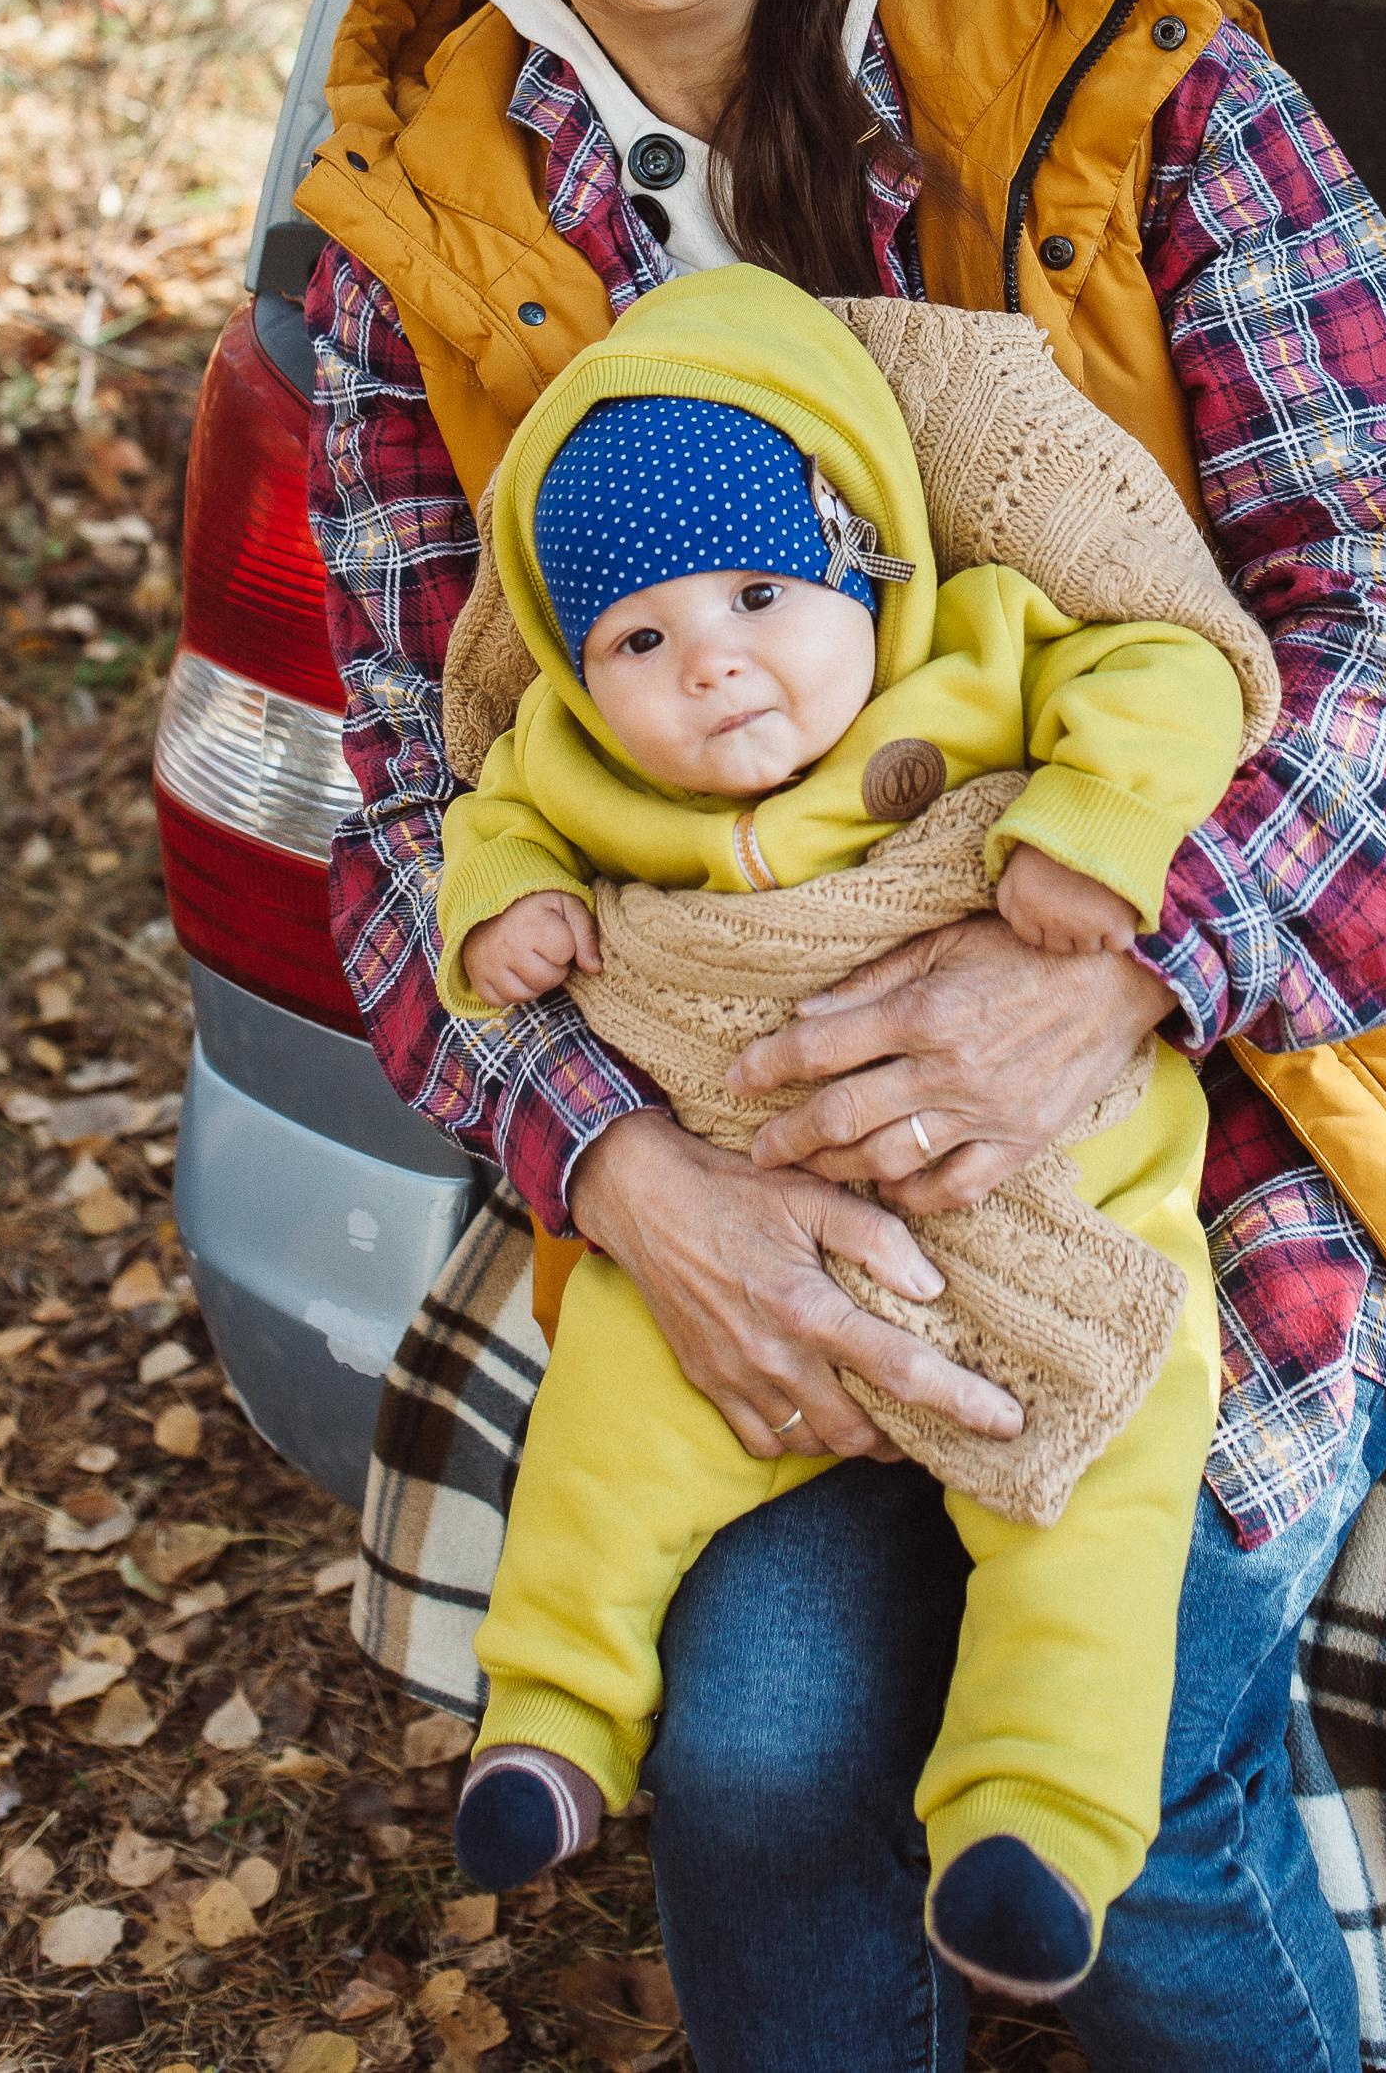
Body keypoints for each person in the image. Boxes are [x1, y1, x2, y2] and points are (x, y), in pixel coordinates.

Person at [298, 0, 1386, 2073]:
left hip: (1224, 1064)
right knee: (771, 1743)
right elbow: (387, 806)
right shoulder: (410, 230)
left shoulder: (1120, 62)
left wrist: (1114, 972)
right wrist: (626, 1165)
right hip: (736, 1084)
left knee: (1116, 1738)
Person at [434, 262, 1253, 2001]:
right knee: (610, 1415)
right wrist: (497, 909)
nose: (712, 666)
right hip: (750, 1197)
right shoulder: (568, 762)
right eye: (639, 641)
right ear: (580, 676)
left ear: (865, 562)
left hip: (1050, 1192)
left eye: (756, 593)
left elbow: (1169, 670)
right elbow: (484, 819)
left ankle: (1037, 1813)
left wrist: (1096, 834)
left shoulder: (971, 654)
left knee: (1106, 1466)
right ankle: (551, 1717)